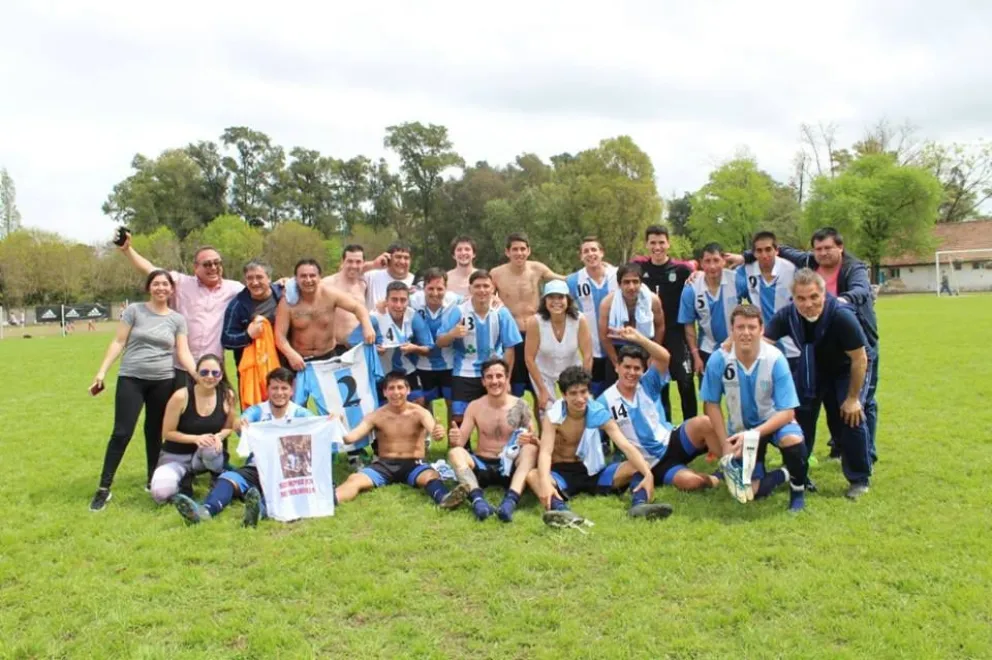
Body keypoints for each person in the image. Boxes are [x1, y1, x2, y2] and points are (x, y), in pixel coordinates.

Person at [734, 227, 879, 461]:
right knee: (810, 408)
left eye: (828, 247)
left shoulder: (853, 272)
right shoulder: (792, 307)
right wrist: (736, 353)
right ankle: (806, 466)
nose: (823, 253)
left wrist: (842, 301)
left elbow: (862, 293)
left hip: (855, 348)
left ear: (840, 247)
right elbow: (764, 341)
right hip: (818, 354)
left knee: (856, 407)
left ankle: (863, 462)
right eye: (818, 248)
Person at [89, 270, 198, 512]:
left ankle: (152, 480)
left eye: (165, 284)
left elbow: (183, 352)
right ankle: (104, 488)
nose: (161, 288)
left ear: (171, 289)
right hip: (131, 379)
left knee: (154, 433)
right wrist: (101, 372)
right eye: (156, 284)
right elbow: (118, 342)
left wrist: (197, 374)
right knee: (122, 432)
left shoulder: (177, 319)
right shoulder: (135, 311)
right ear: (149, 287)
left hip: (163, 381)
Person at [764, 269, 873, 499]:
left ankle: (859, 479)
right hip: (810, 370)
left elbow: (859, 358)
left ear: (824, 294)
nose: (808, 304)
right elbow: (763, 344)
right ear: (793, 299)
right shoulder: (787, 316)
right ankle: (799, 476)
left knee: (850, 419)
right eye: (801, 298)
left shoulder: (842, 316)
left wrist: (853, 399)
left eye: (814, 297)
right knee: (798, 422)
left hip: (846, 370)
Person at [597, 326, 735, 496]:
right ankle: (716, 478)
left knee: (704, 422)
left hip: (671, 441)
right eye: (627, 367)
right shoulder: (605, 401)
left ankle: (732, 467)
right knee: (693, 482)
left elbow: (664, 357)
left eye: (636, 368)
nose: (632, 373)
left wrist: (639, 338)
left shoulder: (647, 383)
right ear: (617, 367)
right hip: (651, 463)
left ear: (643, 370)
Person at [170, 368, 314, 526]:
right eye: (274, 388)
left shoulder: (301, 414)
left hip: (287, 471)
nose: (279, 393)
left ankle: (257, 512)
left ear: (292, 390)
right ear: (267, 389)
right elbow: (239, 422)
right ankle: (204, 512)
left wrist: (332, 420)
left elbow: (318, 429)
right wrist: (240, 424)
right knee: (227, 478)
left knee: (279, 489)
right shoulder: (258, 411)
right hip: (257, 466)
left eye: (284, 388)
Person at [701, 305, 809, 511]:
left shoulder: (775, 358)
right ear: (731, 331)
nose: (746, 333)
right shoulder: (719, 359)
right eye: (740, 327)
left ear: (761, 330)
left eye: (751, 327)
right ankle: (784, 473)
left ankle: (797, 489)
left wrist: (753, 434)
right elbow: (711, 403)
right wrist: (725, 442)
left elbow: (787, 412)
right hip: (741, 431)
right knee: (748, 493)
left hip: (772, 424)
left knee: (792, 440)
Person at [535, 366, 673, 528]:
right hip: (562, 474)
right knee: (534, 475)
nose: (580, 398)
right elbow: (545, 452)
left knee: (637, 467)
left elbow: (625, 445)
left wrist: (648, 474)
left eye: (583, 392)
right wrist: (544, 481)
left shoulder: (597, 412)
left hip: (593, 471)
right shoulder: (553, 416)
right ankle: (561, 510)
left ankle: (639, 504)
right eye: (573, 393)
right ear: (564, 395)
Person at [117, 232, 243, 388]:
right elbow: (150, 270)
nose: (213, 267)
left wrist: (281, 284)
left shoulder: (234, 289)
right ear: (195, 268)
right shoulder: (181, 283)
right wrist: (127, 250)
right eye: (207, 264)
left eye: (217, 263)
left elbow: (260, 289)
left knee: (217, 411)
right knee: (176, 411)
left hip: (213, 369)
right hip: (179, 368)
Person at [334, 372, 469, 507]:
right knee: (354, 479)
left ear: (408, 390)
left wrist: (438, 433)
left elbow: (435, 432)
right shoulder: (376, 416)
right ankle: (329, 501)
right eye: (391, 388)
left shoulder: (420, 412)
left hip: (413, 464)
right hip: (384, 465)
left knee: (431, 476)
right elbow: (350, 438)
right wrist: (336, 424)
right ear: (385, 392)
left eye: (400, 387)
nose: (396, 392)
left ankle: (444, 499)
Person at [446, 357, 539, 522]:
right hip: (483, 464)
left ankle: (510, 501)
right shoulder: (475, 406)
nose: (494, 381)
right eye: (489, 377)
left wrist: (529, 438)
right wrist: (454, 439)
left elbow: (535, 439)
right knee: (455, 453)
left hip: (510, 466)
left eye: (499, 376)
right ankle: (478, 500)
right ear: (483, 381)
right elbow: (460, 443)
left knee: (531, 450)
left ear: (507, 378)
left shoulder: (520, 405)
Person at [436, 269, 522, 427]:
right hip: (464, 371)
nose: (482, 290)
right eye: (477, 286)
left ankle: (495, 450)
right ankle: (461, 449)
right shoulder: (458, 311)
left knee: (498, 416)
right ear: (470, 289)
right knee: (459, 418)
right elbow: (440, 341)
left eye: (486, 286)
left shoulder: (501, 312)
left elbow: (510, 347)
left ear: (492, 289)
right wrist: (452, 334)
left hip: (493, 372)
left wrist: (507, 378)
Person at [149, 354, 236, 504]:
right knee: (160, 494)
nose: (210, 377)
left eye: (215, 373)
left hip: (205, 455)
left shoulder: (227, 395)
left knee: (210, 446)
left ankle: (216, 476)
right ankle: (183, 483)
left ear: (221, 375)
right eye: (204, 372)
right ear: (196, 373)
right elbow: (167, 433)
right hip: (176, 456)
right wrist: (196, 439)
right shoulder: (181, 397)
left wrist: (219, 437)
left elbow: (229, 427)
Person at [490, 233, 567, 397]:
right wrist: (493, 299)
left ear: (529, 250)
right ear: (507, 252)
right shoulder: (496, 274)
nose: (519, 253)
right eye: (515, 249)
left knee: (540, 390)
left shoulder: (537, 269)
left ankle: (543, 422)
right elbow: (484, 293)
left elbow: (562, 280)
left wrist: (590, 271)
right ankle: (515, 423)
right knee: (513, 389)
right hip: (512, 336)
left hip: (536, 333)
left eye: (523, 249)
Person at [635, 225, 698, 423]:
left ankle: (691, 430)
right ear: (647, 244)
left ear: (668, 243)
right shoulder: (640, 270)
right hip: (651, 336)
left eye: (661, 242)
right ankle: (665, 427)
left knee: (685, 382)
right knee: (658, 384)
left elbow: (699, 271)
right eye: (653, 242)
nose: (657, 247)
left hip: (676, 334)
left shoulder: (681, 270)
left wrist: (696, 272)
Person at [274, 259, 375, 370]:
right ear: (296, 279)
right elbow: (279, 335)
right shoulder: (287, 303)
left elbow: (357, 307)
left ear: (319, 277)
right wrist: (291, 355)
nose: (308, 280)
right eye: (303, 276)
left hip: (328, 357)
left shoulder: (330, 294)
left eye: (312, 276)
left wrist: (367, 326)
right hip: (300, 360)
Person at [355, 281, 434, 405]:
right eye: (394, 300)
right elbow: (351, 342)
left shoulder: (412, 316)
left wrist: (415, 348)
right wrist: (373, 349)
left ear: (408, 301)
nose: (399, 305)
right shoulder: (375, 318)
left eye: (403, 300)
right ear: (386, 300)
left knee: (419, 402)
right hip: (381, 374)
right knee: (384, 413)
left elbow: (429, 348)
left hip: (406, 370)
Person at [524, 281, 593, 414]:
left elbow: (588, 356)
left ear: (568, 299)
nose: (556, 302)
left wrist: (583, 386)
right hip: (543, 373)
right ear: (545, 301)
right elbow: (529, 358)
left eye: (560, 297)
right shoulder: (535, 322)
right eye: (551, 297)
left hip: (572, 371)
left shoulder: (580, 320)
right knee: (549, 412)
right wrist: (542, 390)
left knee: (576, 410)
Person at [678, 243, 739, 380]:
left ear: (723, 260)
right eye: (707, 261)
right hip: (707, 350)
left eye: (716, 260)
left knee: (737, 398)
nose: (712, 266)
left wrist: (741, 258)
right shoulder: (691, 289)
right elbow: (688, 325)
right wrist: (696, 356)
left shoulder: (736, 280)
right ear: (701, 263)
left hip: (736, 348)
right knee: (709, 398)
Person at [566, 236, 618, 396]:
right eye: (586, 251)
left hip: (617, 344)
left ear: (602, 253)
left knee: (617, 393)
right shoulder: (573, 281)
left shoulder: (617, 275)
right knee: (594, 394)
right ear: (581, 256)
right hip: (591, 349)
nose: (590, 254)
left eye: (594, 250)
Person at [598, 263, 664, 386]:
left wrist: (653, 355)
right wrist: (615, 362)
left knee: (651, 390)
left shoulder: (653, 300)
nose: (631, 287)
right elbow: (604, 335)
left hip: (645, 347)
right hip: (618, 348)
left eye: (635, 282)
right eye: (626, 282)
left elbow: (660, 327)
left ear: (641, 283)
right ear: (619, 284)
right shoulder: (607, 303)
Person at [735, 231, 798, 360]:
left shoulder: (791, 270)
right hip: (761, 343)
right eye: (759, 250)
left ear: (776, 250)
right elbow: (720, 278)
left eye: (768, 249)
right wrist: (697, 274)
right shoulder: (744, 271)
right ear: (754, 253)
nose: (764, 255)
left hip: (791, 345)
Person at [410, 268, 461, 413]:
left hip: (449, 363)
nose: (435, 293)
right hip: (421, 364)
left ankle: (454, 436)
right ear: (423, 287)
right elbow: (393, 301)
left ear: (446, 288)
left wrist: (495, 299)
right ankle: (425, 436)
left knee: (453, 406)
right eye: (430, 288)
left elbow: (472, 300)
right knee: (421, 405)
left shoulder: (455, 300)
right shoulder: (412, 300)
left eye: (440, 289)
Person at [221, 259, 285, 369]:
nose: (254, 282)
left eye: (259, 277)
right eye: (250, 278)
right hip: (251, 370)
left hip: (282, 367)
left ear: (269, 278)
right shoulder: (237, 305)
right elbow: (226, 340)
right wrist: (247, 336)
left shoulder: (284, 294)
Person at [323, 244, 369, 353]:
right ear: (343, 262)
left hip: (358, 347)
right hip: (335, 348)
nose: (354, 265)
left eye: (358, 262)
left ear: (363, 263)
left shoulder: (363, 285)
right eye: (350, 261)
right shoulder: (328, 283)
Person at [364, 242, 415, 311]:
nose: (402, 262)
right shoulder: (371, 276)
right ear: (388, 258)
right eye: (398, 257)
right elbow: (348, 272)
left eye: (406, 258)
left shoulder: (415, 282)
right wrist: (373, 264)